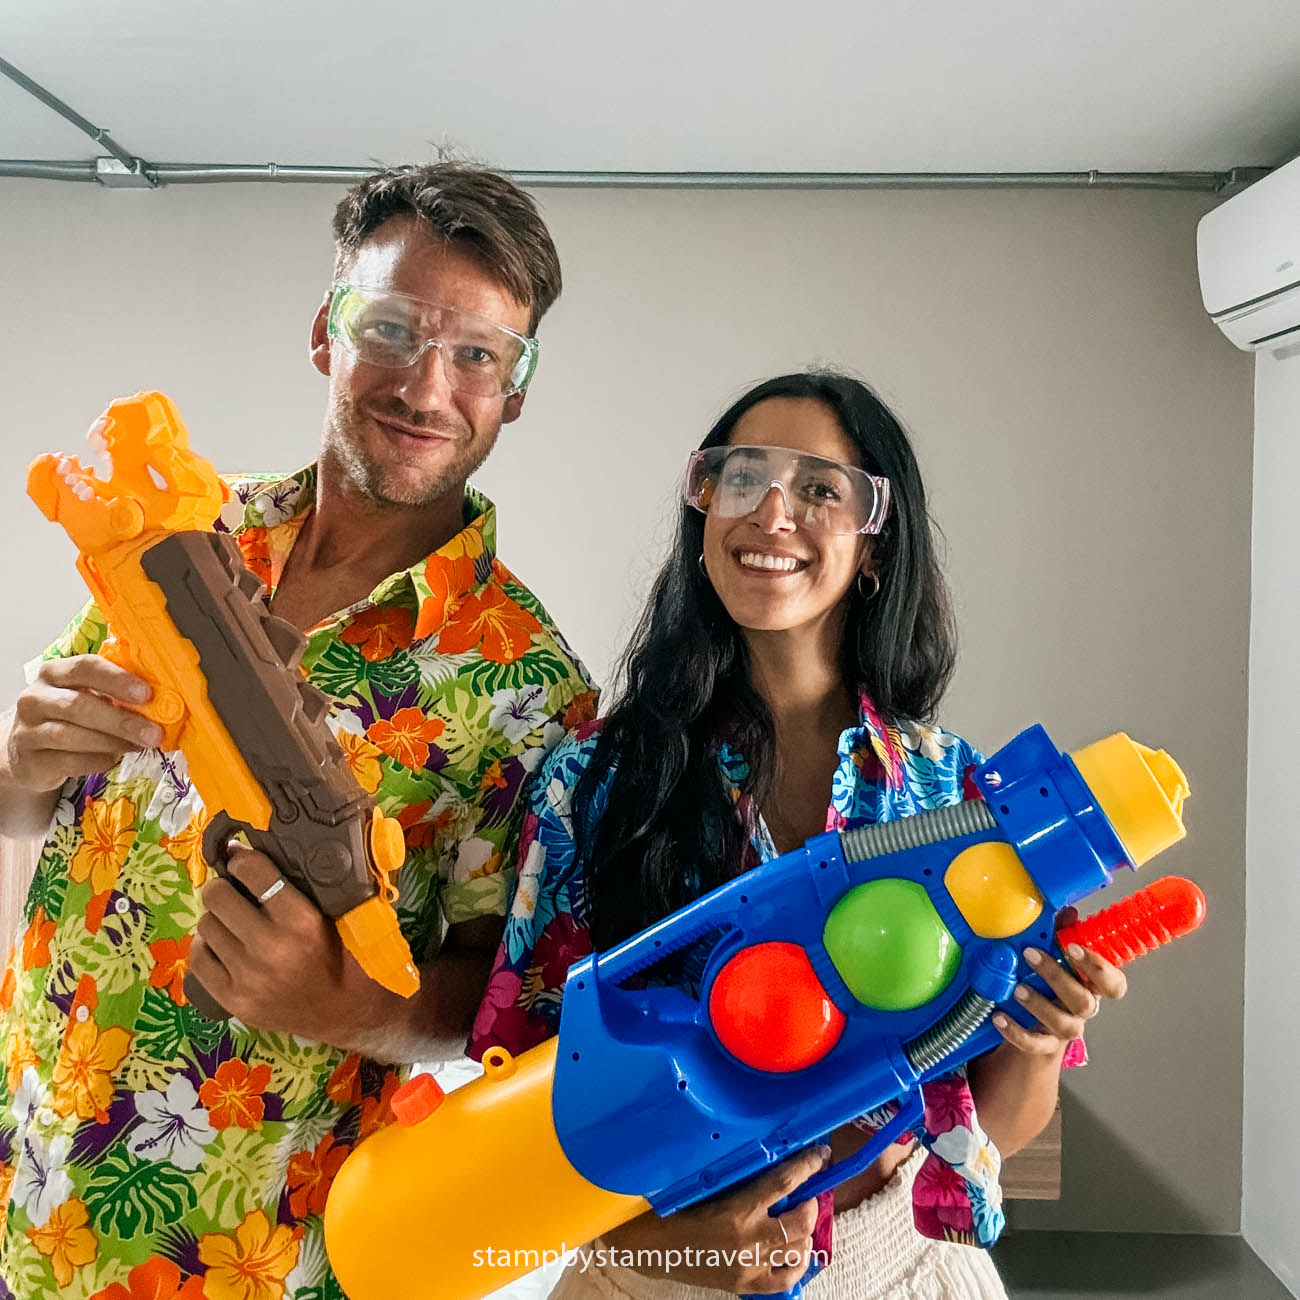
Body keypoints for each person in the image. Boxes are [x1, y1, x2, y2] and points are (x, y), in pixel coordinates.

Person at [0, 162, 596, 1299]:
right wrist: (17, 768)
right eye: (391, 326)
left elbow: (515, 995)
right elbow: (35, 807)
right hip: (24, 1170)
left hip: (247, 1250)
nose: (428, 384)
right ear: (325, 333)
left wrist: (358, 1006)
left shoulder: (534, 690)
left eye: (478, 353)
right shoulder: (176, 531)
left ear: (515, 391)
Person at [470, 370, 1127, 1299]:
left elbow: (993, 1125)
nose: (771, 513)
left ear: (873, 548)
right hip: (657, 1275)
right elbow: (526, 1104)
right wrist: (665, 1253)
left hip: (900, 1264)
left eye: (819, 488)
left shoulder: (957, 790)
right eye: (741, 479)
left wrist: (1043, 1036)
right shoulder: (597, 780)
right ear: (702, 522)